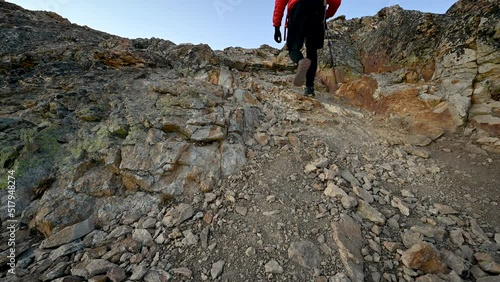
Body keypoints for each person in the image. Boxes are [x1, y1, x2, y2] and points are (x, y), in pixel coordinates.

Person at [273, 0, 341, 96]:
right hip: (318, 9)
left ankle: (301, 61)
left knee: (293, 48)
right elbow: (336, 2)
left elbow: (280, 3)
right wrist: (326, 15)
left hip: (298, 8)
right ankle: (309, 88)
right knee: (312, 51)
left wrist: (277, 26)